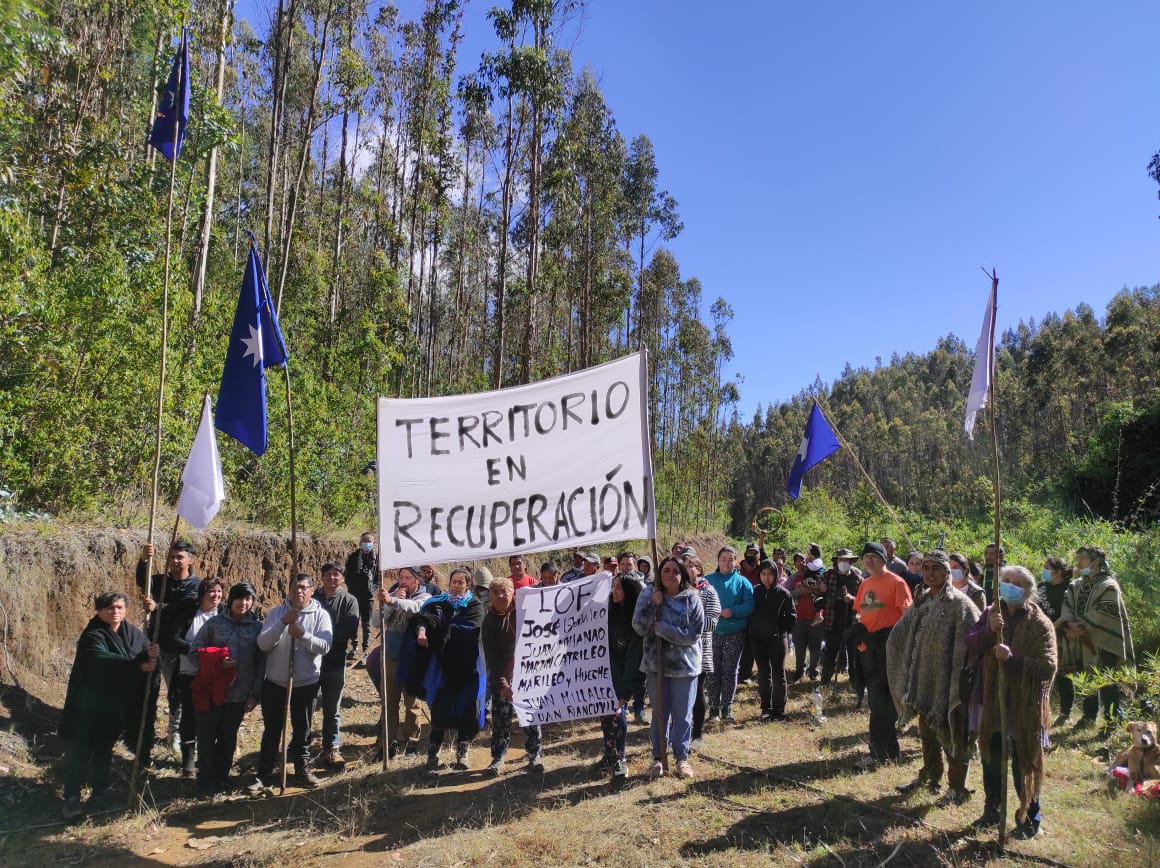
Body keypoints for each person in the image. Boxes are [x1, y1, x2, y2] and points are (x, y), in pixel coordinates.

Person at [967, 565, 1057, 839]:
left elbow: (1048, 667)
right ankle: (991, 811)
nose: (1010, 586)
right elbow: (970, 642)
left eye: (1017, 583)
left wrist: (1013, 660)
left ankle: (1029, 819)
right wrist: (988, 631)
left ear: (1028, 591)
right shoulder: (992, 613)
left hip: (1024, 705)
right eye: (1006, 581)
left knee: (1024, 762)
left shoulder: (1040, 623)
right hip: (991, 699)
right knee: (991, 757)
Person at [887, 551, 980, 804]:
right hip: (924, 680)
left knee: (953, 734)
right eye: (926, 568)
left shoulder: (959, 604)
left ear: (947, 572)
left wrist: (961, 678)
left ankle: (957, 788)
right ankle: (930, 775)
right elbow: (902, 633)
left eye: (936, 568)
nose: (929, 573)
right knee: (927, 733)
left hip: (951, 683)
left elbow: (972, 641)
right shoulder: (922, 600)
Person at [60, 592, 159, 819]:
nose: (115, 612)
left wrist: (152, 654)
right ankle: (71, 799)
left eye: (119, 608)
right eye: (110, 608)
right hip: (89, 703)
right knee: (81, 752)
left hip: (114, 705)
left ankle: (100, 794)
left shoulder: (132, 633)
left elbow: (142, 653)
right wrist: (138, 666)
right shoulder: (92, 635)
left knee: (105, 750)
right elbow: (101, 661)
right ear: (99, 611)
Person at [401, 568, 486, 771]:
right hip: (440, 667)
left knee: (466, 709)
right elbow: (424, 618)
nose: (456, 586)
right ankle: (433, 754)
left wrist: (439, 629)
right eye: (453, 582)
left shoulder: (474, 605)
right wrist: (422, 628)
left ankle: (462, 753)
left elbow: (470, 628)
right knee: (440, 709)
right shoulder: (437, 602)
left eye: (461, 582)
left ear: (468, 585)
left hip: (467, 667)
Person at [256, 573, 333, 789]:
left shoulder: (321, 615)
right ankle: (264, 773)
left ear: (311, 590)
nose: (298, 591)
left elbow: (325, 647)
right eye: (295, 587)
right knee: (272, 729)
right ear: (288, 590)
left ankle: (301, 770)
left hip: (305, 683)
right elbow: (262, 644)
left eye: (303, 587)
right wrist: (282, 623)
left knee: (303, 730)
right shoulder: (277, 613)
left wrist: (303, 634)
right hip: (275, 682)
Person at [632, 556, 705, 779]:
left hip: (685, 666)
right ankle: (658, 757)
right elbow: (638, 627)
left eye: (675, 571)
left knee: (682, 715)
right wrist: (653, 604)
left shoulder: (691, 597)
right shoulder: (648, 593)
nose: (670, 575)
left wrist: (665, 629)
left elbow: (694, 633)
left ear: (682, 575)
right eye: (666, 570)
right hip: (656, 666)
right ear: (659, 572)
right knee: (660, 714)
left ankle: (681, 758)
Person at [191, 582, 264, 794]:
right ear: (230, 600)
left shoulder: (257, 628)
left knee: (228, 737)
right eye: (239, 598)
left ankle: (222, 777)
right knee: (206, 736)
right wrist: (217, 664)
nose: (243, 603)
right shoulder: (215, 624)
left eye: (248, 599)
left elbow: (261, 663)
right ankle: (205, 780)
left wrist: (255, 694)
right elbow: (195, 652)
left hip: (239, 694)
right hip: (212, 692)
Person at [849, 541, 913, 768]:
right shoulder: (865, 583)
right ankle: (889, 750)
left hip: (889, 651)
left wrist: (896, 642)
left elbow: (908, 617)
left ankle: (879, 752)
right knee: (877, 702)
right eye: (865, 557)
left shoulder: (897, 582)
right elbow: (861, 613)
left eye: (874, 556)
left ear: (884, 559)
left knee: (882, 703)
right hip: (867, 651)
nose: (869, 560)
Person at [136, 539, 201, 757]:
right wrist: (144, 560)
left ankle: (175, 735)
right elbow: (142, 582)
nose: (174, 561)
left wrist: (158, 607)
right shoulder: (160, 581)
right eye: (172, 557)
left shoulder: (196, 585)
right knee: (149, 689)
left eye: (179, 557)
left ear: (189, 560)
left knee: (177, 694)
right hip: (155, 644)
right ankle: (142, 733)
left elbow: (186, 605)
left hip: (180, 648)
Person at [1060, 545, 1133, 726]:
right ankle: (1089, 716)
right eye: (1077, 559)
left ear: (1095, 562)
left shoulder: (1109, 585)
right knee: (1085, 677)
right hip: (1080, 641)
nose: (1078, 563)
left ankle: (1112, 720)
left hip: (1104, 642)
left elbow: (1104, 612)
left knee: (1107, 680)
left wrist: (1079, 628)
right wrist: (1070, 624)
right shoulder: (1075, 585)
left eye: (1082, 559)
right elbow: (1066, 604)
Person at [367, 566, 431, 758]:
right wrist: (388, 603)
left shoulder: (424, 597)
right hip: (390, 655)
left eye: (408, 578)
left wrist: (394, 600)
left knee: (412, 704)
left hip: (411, 659)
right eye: (401, 577)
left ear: (417, 580)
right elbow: (377, 622)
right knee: (389, 701)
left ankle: (411, 742)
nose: (404, 581)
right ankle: (388, 743)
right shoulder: (392, 595)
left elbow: (416, 609)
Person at [482, 576, 543, 775]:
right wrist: (503, 685)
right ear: (490, 596)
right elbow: (492, 658)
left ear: (513, 592)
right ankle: (498, 758)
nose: (500, 596)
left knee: (530, 717)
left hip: (527, 674)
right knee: (501, 719)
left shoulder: (526, 611)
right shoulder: (489, 622)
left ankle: (535, 755)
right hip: (503, 676)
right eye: (495, 592)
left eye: (505, 591)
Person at [164, 578, 224, 777]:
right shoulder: (190, 613)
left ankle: (209, 758)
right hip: (190, 673)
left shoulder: (223, 614)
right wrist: (195, 651)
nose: (215, 595)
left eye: (219, 591)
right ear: (202, 593)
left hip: (216, 675)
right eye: (211, 591)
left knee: (214, 717)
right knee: (189, 715)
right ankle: (188, 761)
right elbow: (172, 637)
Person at [597, 573, 645, 780]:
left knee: (618, 715)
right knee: (605, 716)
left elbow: (634, 659)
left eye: (618, 588)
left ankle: (620, 758)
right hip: (603, 675)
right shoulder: (608, 612)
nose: (614, 591)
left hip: (622, 679)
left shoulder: (634, 621)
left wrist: (625, 690)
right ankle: (609, 754)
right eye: (613, 587)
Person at [316, 562, 360, 769]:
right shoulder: (312, 598)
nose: (332, 578)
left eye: (336, 574)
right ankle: (300, 747)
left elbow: (349, 628)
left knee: (332, 708)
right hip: (309, 662)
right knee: (305, 706)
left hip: (334, 661)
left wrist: (318, 638)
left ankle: (332, 748)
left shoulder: (349, 601)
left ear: (342, 578)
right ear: (322, 577)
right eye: (328, 574)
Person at [704, 546, 755, 722]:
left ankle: (727, 706)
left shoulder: (743, 582)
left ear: (735, 561)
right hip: (711, 633)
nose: (727, 562)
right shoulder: (707, 581)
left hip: (735, 633)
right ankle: (713, 707)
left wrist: (733, 611)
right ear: (718, 560)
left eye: (730, 559)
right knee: (712, 671)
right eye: (723, 559)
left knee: (730, 671)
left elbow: (750, 605)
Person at [749, 559, 796, 721]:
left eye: (770, 574)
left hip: (777, 639)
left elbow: (791, 617)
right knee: (763, 673)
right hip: (758, 639)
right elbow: (749, 611)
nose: (766, 578)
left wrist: (778, 627)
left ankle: (779, 709)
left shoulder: (784, 594)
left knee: (778, 673)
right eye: (763, 574)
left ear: (776, 575)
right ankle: (766, 708)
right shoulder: (755, 592)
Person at [682, 552, 720, 749]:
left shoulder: (708, 591)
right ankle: (681, 733)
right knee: (681, 696)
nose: (687, 570)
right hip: (679, 651)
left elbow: (713, 621)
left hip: (700, 649)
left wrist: (689, 625)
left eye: (690, 566)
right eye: (684, 566)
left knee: (697, 693)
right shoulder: (678, 591)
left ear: (699, 570)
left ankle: (697, 734)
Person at [1038, 556, 1078, 723]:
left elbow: (1071, 612)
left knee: (1064, 675)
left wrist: (1059, 625)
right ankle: (1041, 709)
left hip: (1062, 636)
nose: (1044, 570)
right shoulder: (1041, 588)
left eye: (1047, 568)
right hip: (1041, 636)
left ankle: (1066, 712)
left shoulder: (1070, 589)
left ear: (1059, 572)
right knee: (1041, 673)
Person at [818, 548, 862, 687]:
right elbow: (816, 594)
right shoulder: (827, 575)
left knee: (853, 654)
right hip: (832, 620)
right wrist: (821, 589)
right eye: (841, 560)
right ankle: (825, 681)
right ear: (836, 561)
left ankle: (855, 681)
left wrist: (853, 599)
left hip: (851, 621)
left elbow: (864, 601)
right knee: (830, 652)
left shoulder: (858, 579)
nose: (843, 562)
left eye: (846, 560)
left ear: (851, 562)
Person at [788, 555, 825, 683]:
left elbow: (825, 591)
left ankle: (813, 671)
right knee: (799, 646)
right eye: (798, 561)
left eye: (804, 560)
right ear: (794, 564)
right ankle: (799, 670)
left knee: (816, 646)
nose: (801, 563)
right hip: (798, 618)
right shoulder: (792, 578)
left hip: (816, 618)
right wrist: (799, 592)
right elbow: (786, 594)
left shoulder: (819, 575)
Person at [345, 532, 378, 660]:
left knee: (367, 624)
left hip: (368, 596)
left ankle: (365, 651)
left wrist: (373, 588)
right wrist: (351, 585)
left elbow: (377, 577)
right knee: (354, 621)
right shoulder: (353, 557)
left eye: (369, 541)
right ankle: (354, 648)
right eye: (365, 540)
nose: (367, 544)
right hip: (354, 595)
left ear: (373, 543)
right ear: (360, 542)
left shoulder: (377, 559)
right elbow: (347, 574)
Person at [736, 543, 762, 683]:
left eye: (755, 552)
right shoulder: (736, 568)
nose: (753, 555)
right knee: (735, 642)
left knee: (749, 644)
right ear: (745, 553)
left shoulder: (761, 570)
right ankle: (732, 672)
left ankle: (746, 674)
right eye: (750, 552)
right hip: (737, 611)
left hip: (754, 613)